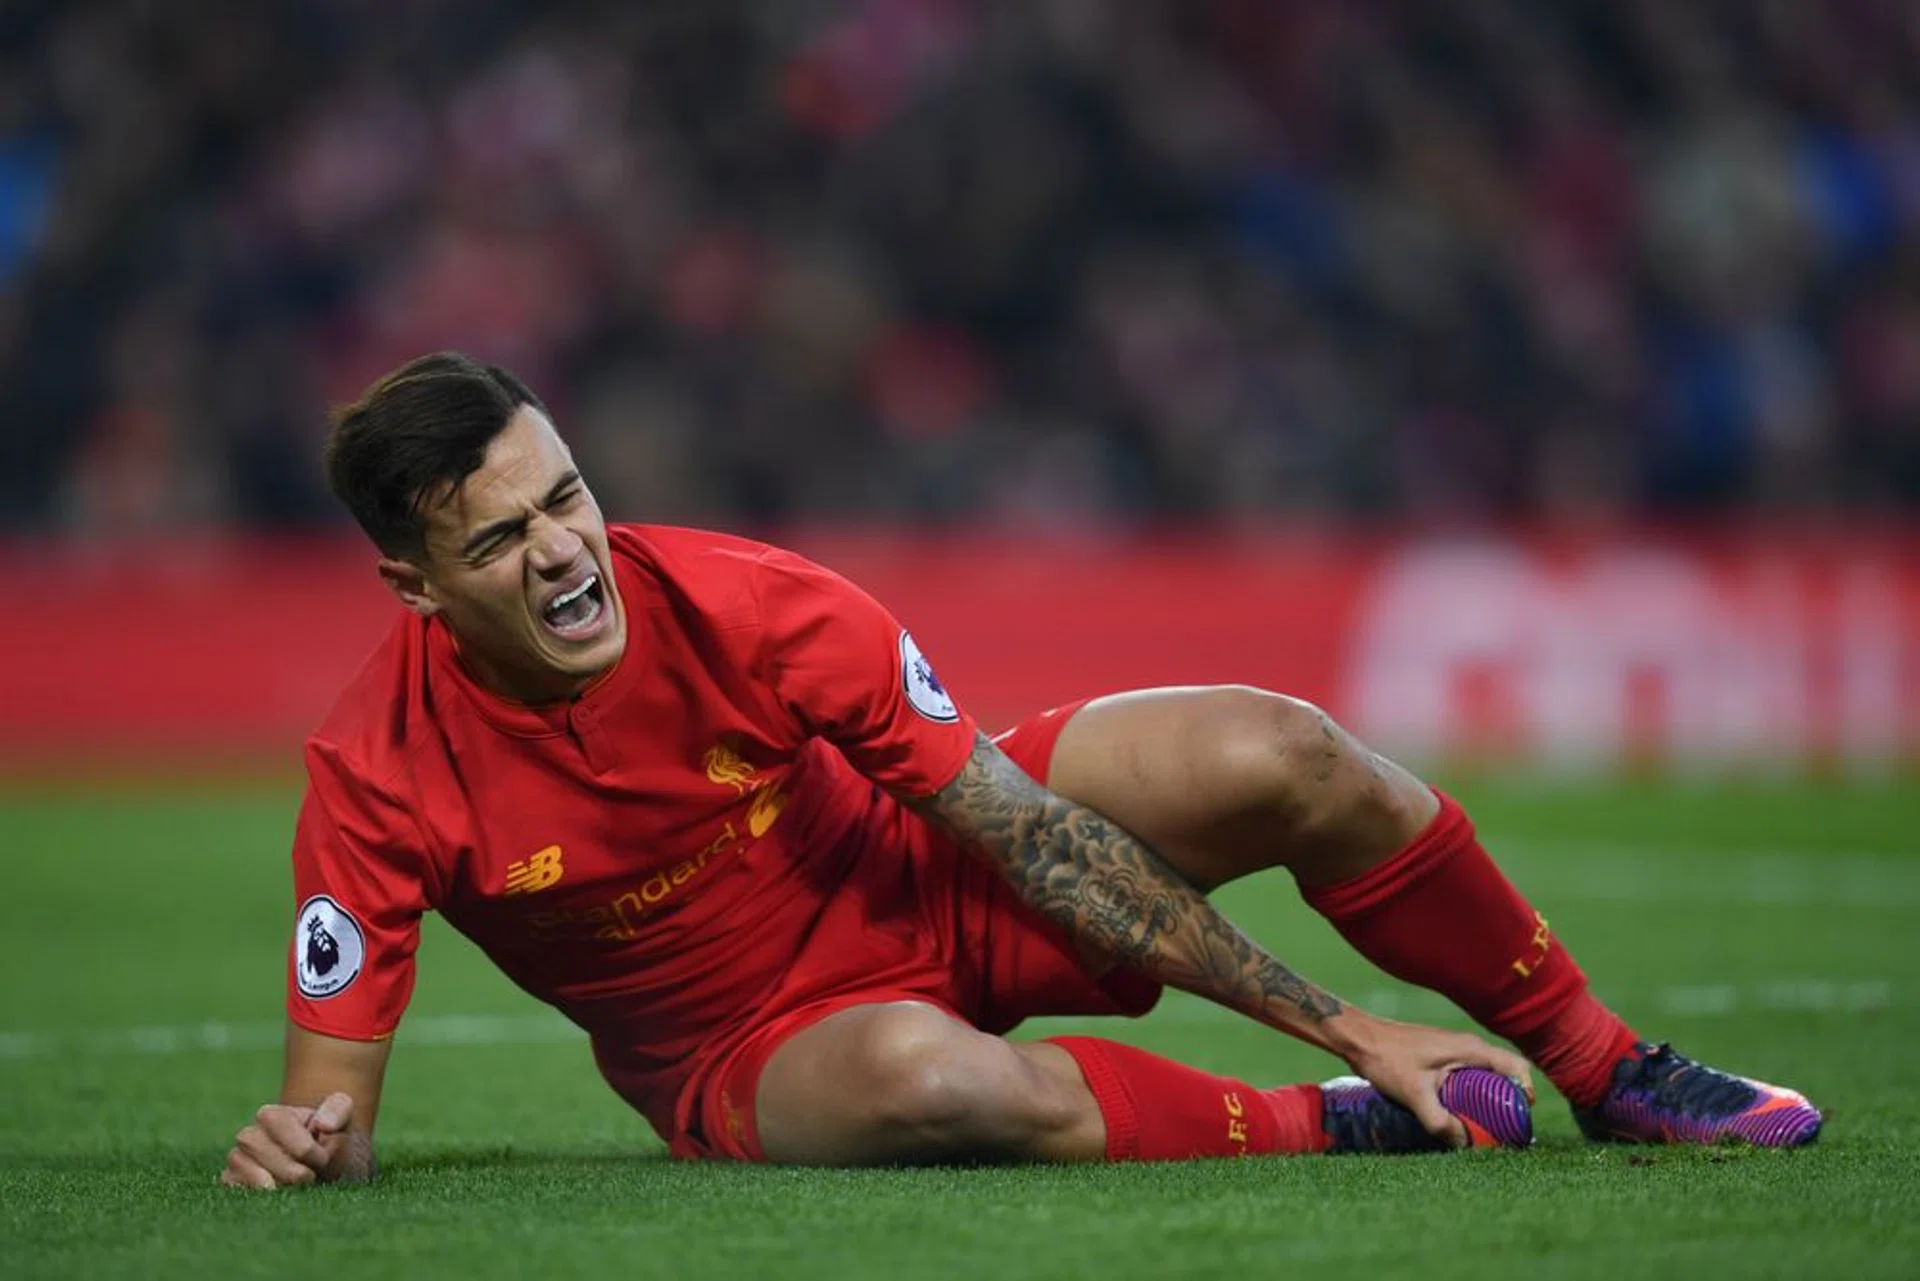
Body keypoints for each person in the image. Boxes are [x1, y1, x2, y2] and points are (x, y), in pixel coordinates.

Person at [221, 352, 1819, 1189]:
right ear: (416, 589)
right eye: (501, 540)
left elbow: (1030, 837)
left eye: (566, 495)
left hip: (947, 873)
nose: (568, 553)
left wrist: (1341, 998)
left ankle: (1611, 1073)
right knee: (935, 1081)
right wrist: (301, 1151)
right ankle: (1330, 1124)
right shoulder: (374, 773)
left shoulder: (752, 601)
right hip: (758, 1048)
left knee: (1286, 750)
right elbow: (332, 1117)